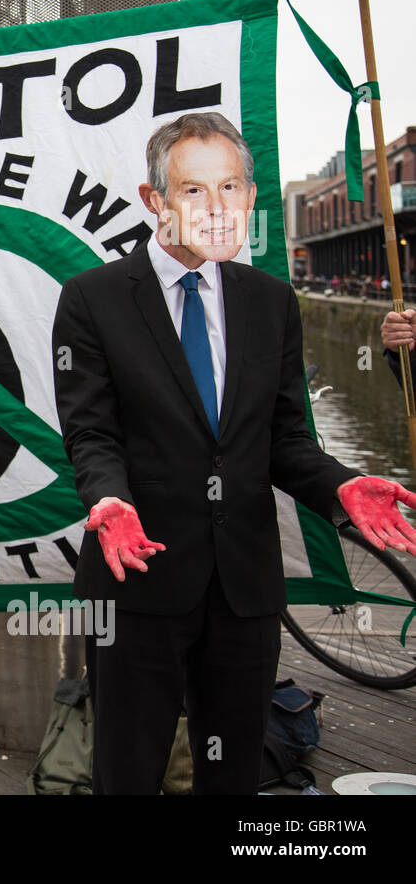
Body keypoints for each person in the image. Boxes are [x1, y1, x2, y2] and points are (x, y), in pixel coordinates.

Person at [52, 111, 416, 795]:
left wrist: (339, 486)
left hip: (245, 593)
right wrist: (108, 497)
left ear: (250, 197)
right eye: (194, 191)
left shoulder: (271, 302)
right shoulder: (92, 300)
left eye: (232, 188)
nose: (217, 208)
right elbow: (91, 432)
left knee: (235, 778)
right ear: (154, 200)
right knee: (125, 775)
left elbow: (284, 439)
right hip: (137, 586)